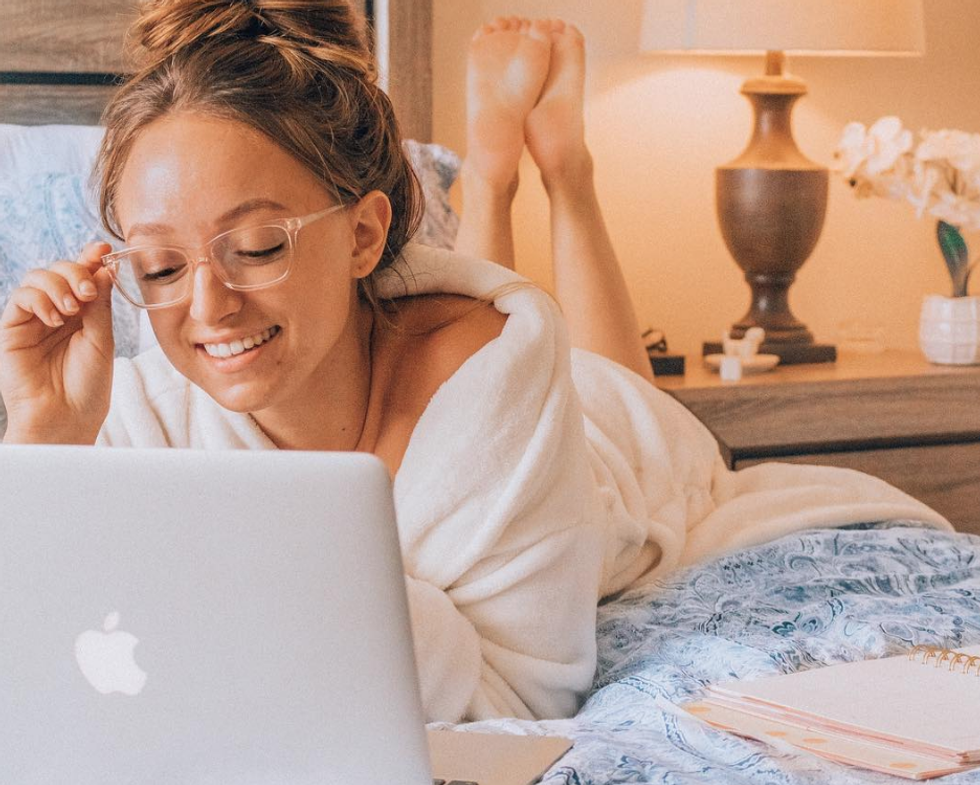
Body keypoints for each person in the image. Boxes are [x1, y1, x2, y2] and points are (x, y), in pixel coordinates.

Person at [0, 0, 947, 724]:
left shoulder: (492, 368)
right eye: (162, 265)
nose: (206, 306)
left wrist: (272, 582)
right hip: (401, 362)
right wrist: (45, 438)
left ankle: (554, 170)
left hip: (607, 444)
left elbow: (523, 696)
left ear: (366, 229)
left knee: (610, 383)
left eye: (258, 247)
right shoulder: (139, 394)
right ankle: (491, 173)